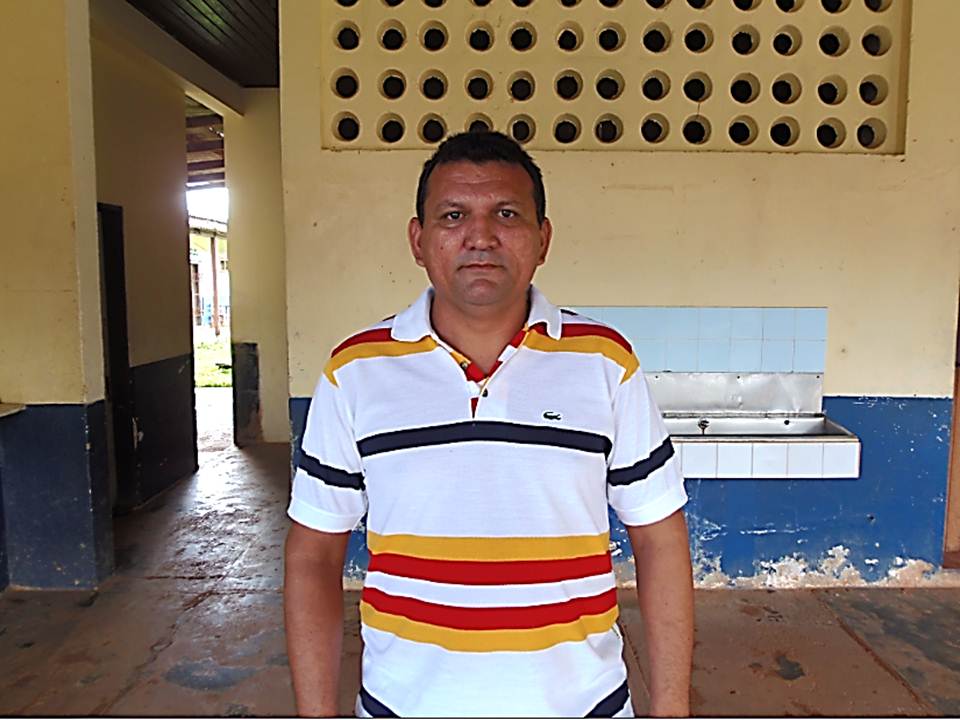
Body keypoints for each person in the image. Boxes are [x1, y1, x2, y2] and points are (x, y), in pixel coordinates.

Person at [284, 131, 693, 718]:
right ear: (418, 240)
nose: (480, 236)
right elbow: (313, 556)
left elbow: (659, 537)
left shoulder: (605, 362)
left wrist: (672, 707)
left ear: (543, 238)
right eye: (453, 215)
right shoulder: (355, 371)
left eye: (506, 214)